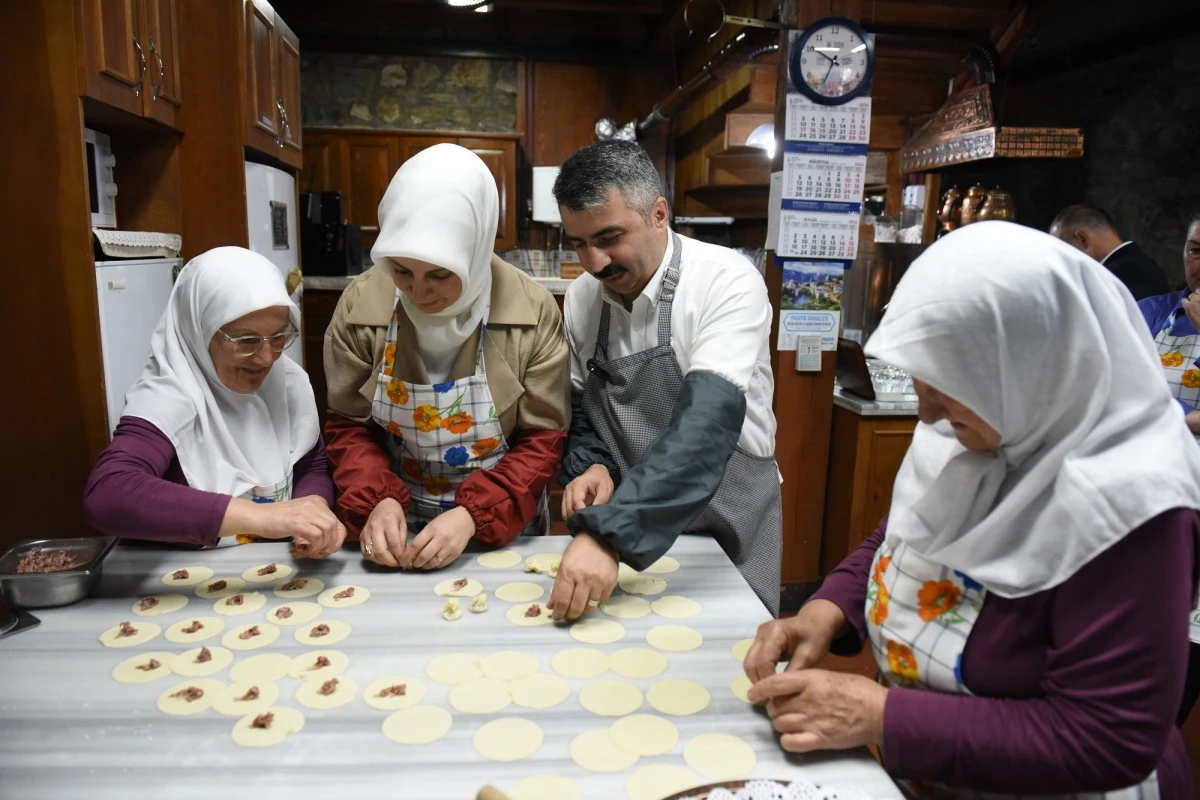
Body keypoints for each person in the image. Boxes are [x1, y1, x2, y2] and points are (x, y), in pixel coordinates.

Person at [744, 222, 1199, 798]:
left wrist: (886, 717)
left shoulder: (1136, 507)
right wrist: (824, 613)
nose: (926, 413)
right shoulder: (980, 426)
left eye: (950, 383)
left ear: (1037, 368)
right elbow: (902, 538)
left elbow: (1107, 738)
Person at [549, 140, 780, 620]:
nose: (594, 263)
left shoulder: (726, 282)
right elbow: (583, 407)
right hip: (633, 526)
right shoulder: (583, 299)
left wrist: (611, 533)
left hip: (727, 519)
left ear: (658, 214)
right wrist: (595, 467)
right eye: (577, 242)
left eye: (609, 237)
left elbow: (706, 425)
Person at [323, 143, 569, 571]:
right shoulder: (362, 308)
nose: (419, 293)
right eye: (402, 271)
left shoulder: (531, 312)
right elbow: (348, 427)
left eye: (440, 274)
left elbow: (542, 442)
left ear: (474, 253)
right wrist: (377, 499)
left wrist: (476, 514)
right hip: (392, 528)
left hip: (502, 523)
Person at [84, 247, 343, 556]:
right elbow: (108, 493)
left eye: (278, 338)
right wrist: (264, 517)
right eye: (246, 341)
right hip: (183, 577)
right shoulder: (169, 394)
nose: (266, 358)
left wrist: (312, 503)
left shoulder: (287, 382)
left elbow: (309, 466)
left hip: (273, 570)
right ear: (198, 331)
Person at [1135, 208, 1200, 725]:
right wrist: (1183, 417)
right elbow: (1118, 383)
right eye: (1196, 249)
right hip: (1151, 487)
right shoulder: (1154, 310)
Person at [1049, 203, 1169, 300]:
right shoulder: (1140, 265)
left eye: (1063, 250)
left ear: (1083, 239)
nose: (1063, 261)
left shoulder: (1122, 276)